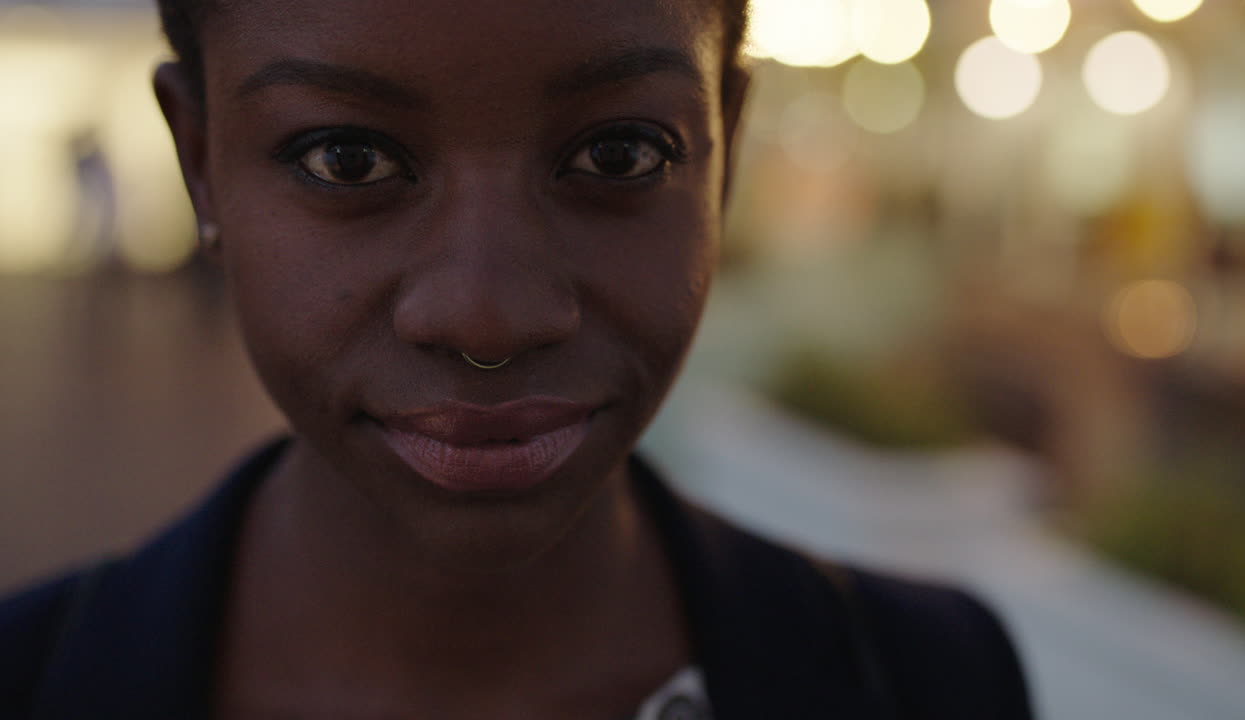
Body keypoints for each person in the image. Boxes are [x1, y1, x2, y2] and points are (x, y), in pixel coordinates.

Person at [0, 1, 1034, 717]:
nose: (487, 317)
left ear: (724, 146)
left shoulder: (931, 684)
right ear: (200, 165)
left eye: (620, 154)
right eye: (346, 158)